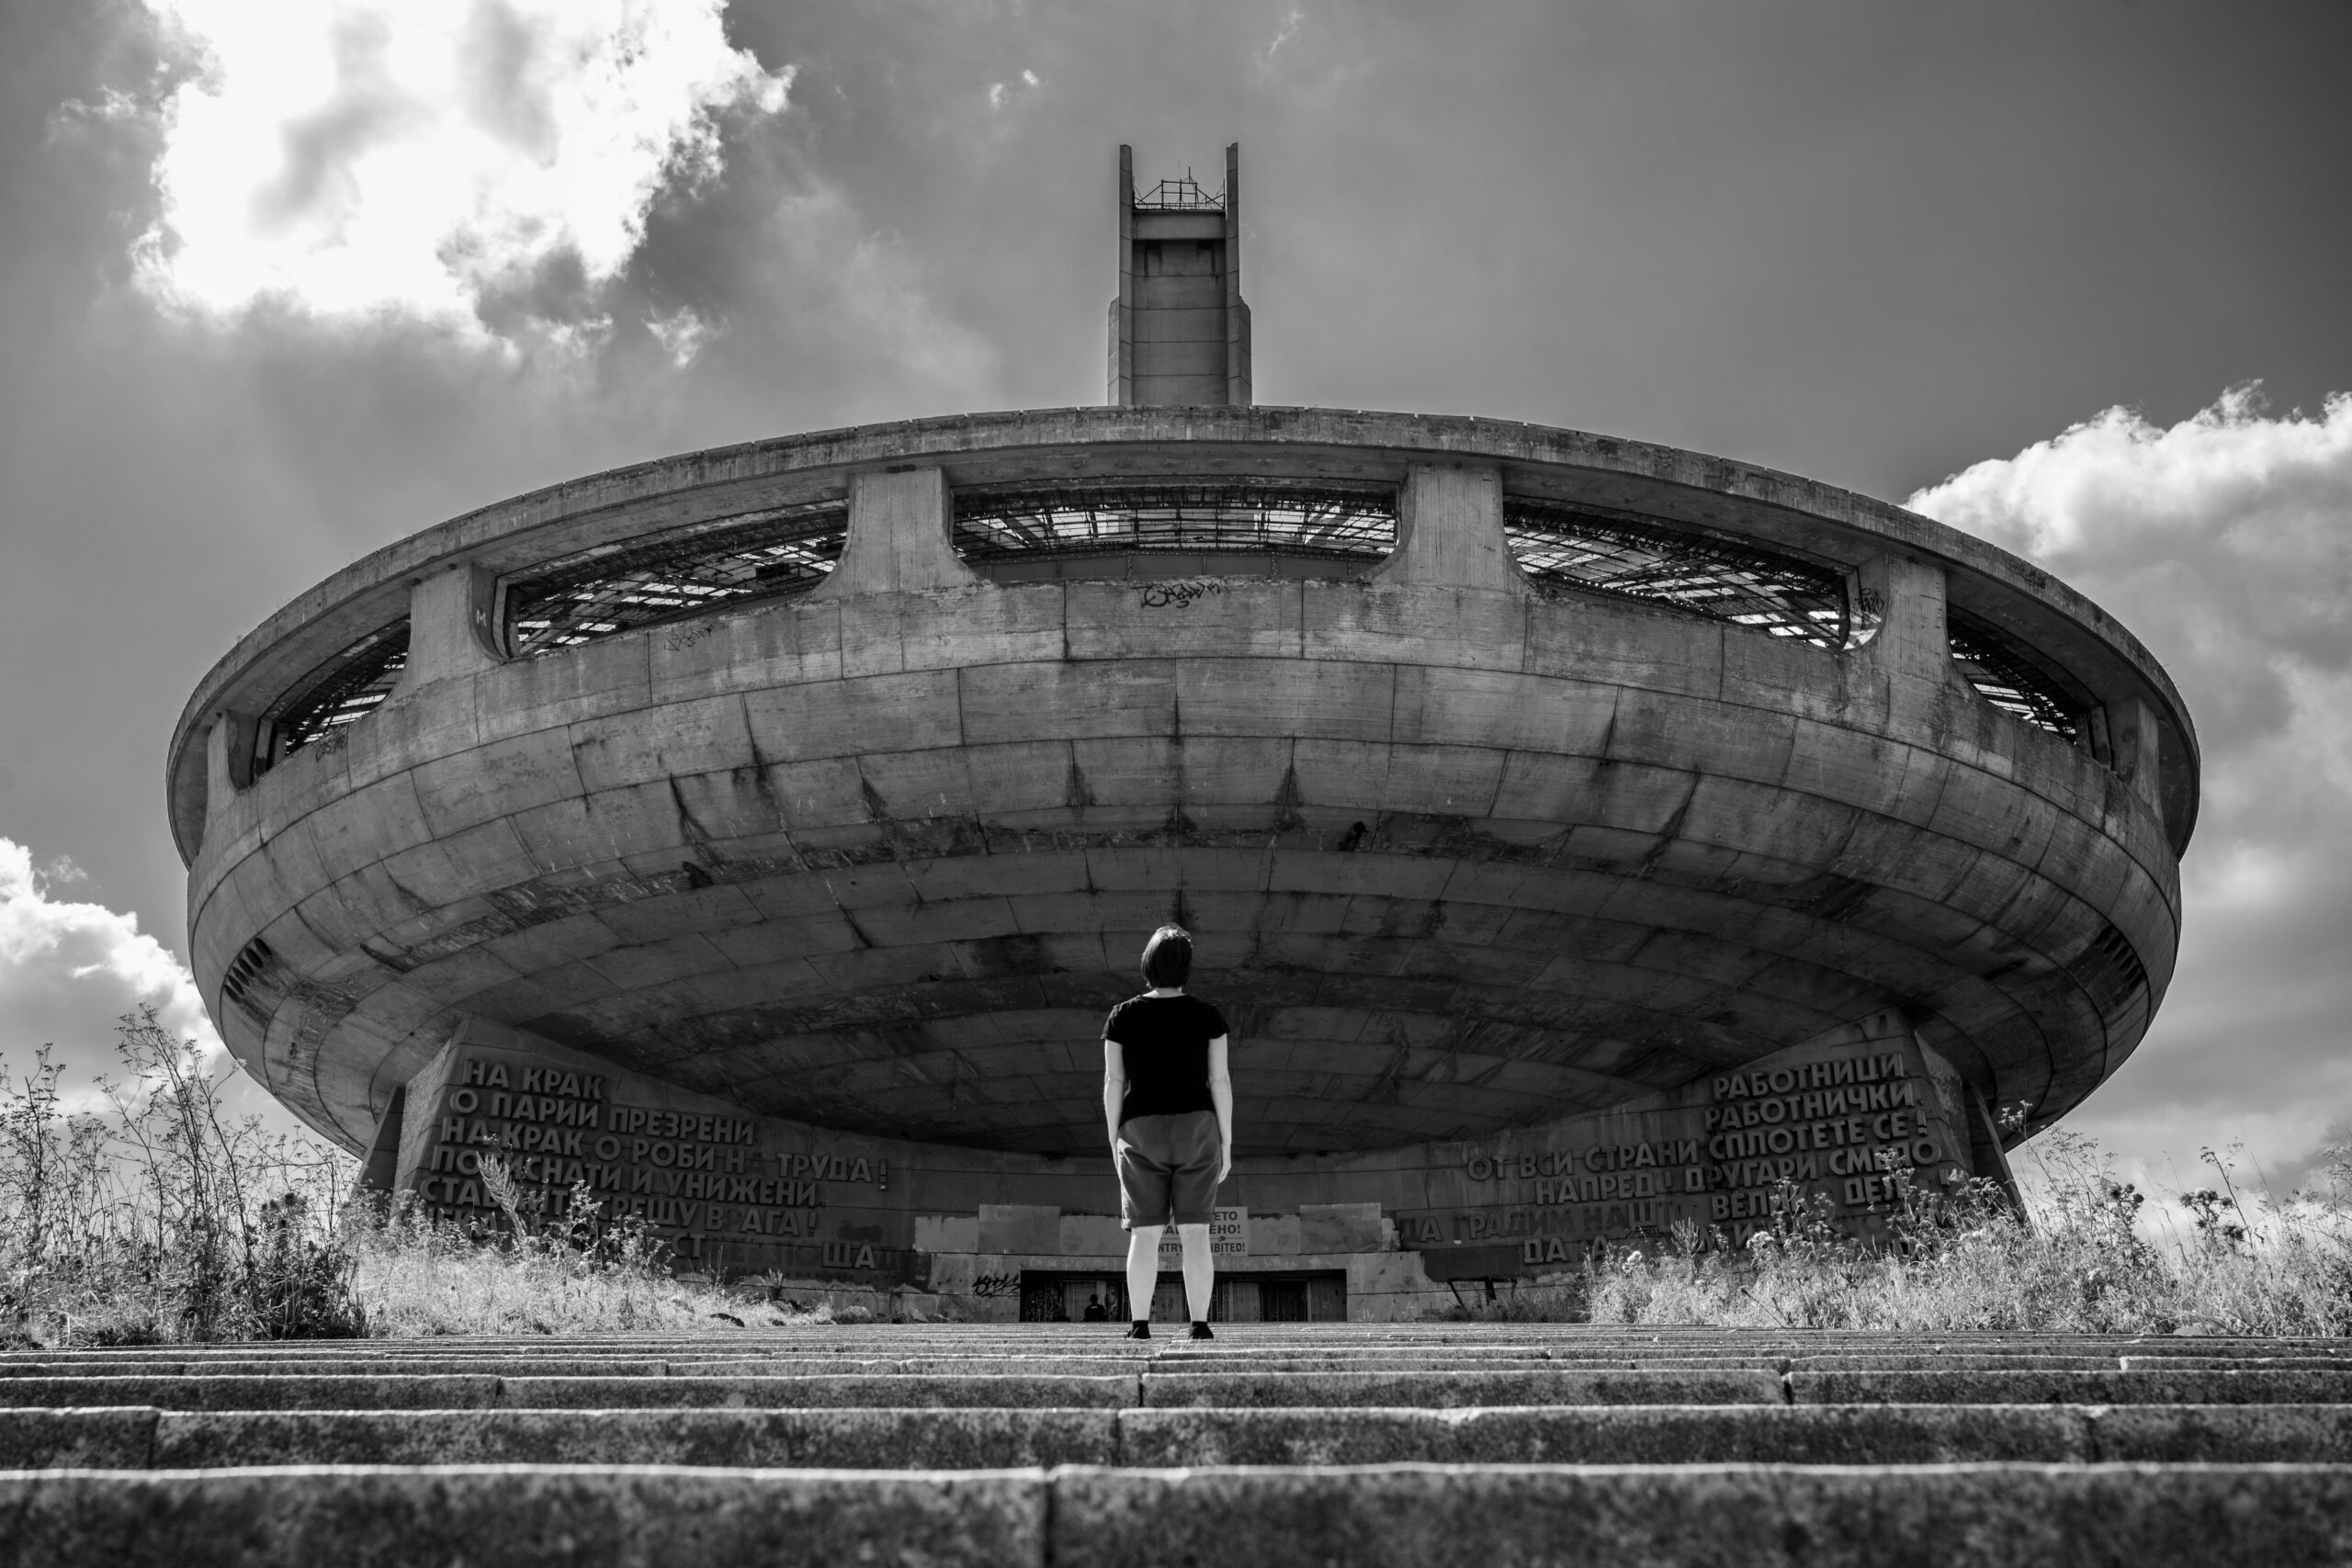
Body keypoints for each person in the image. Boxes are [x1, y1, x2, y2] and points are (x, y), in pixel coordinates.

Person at [1102, 924, 1233, 1340]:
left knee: (1144, 1233)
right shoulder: (1208, 1015)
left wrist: (1112, 1138)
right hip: (1198, 1126)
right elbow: (1221, 1082)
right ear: (1187, 969)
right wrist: (1226, 1141)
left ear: (1148, 964)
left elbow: (1112, 1082)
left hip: (1140, 1130)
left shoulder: (1122, 1015)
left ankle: (1139, 1326)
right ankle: (1200, 1326)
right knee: (1196, 1233)